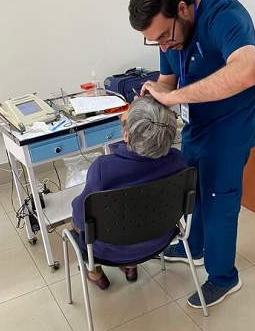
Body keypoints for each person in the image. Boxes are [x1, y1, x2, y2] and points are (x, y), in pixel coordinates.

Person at [128, 0, 255, 308]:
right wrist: (150, 101)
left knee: (219, 201)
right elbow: (168, 81)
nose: (163, 44)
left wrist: (174, 97)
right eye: (154, 40)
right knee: (194, 192)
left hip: (230, 130)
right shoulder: (169, 35)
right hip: (196, 128)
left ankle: (223, 277)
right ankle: (196, 247)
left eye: (163, 36)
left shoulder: (224, 15)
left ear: (183, 9)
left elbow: (247, 70)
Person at [71, 96, 187, 290]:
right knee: (136, 213)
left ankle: (95, 273)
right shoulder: (177, 160)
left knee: (75, 221)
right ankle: (131, 266)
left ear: (126, 135)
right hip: (161, 238)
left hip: (110, 250)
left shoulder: (103, 168)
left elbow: (81, 217)